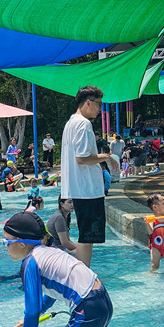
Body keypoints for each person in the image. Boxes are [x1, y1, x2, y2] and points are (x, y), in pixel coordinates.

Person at [61, 86, 116, 267]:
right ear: (88, 103)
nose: (100, 109)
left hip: (79, 187)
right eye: (98, 104)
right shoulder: (84, 124)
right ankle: (82, 276)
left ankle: (82, 274)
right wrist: (106, 157)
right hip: (87, 189)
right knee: (87, 236)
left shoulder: (70, 122)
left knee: (86, 234)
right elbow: (82, 158)